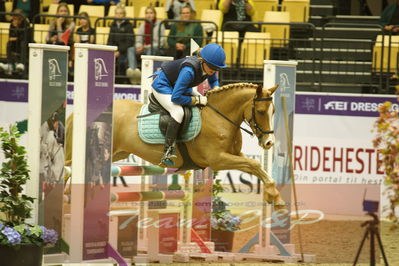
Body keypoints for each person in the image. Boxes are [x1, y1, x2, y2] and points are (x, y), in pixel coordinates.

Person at [151, 43, 227, 166]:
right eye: (212, 68)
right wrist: (196, 101)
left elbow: (213, 80)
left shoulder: (209, 66)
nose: (214, 71)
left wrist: (216, 89)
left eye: (217, 68)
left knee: (203, 101)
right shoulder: (189, 71)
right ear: (202, 61)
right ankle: (168, 151)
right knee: (178, 112)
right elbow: (176, 97)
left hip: (180, 86)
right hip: (163, 86)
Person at [126, 6, 166, 83]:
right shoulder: (142, 25)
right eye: (147, 13)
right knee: (130, 49)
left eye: (151, 13)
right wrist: (138, 47)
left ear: (155, 14)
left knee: (150, 50)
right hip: (144, 48)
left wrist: (145, 47)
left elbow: (161, 43)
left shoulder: (160, 24)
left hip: (157, 49)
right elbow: (138, 39)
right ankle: (134, 73)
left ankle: (146, 75)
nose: (149, 15)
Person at [107, 3, 135, 79]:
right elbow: (110, 40)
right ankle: (109, 80)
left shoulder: (128, 25)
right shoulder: (113, 25)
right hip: (114, 51)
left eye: (121, 13)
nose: (119, 15)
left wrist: (119, 51)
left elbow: (130, 41)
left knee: (121, 62)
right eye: (117, 13)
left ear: (124, 15)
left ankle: (121, 81)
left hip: (124, 51)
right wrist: (112, 50)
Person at [0, 9, 31, 75]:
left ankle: (22, 64)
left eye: (17, 19)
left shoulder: (26, 23)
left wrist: (17, 30)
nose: (15, 20)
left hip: (25, 44)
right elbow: (10, 36)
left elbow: (25, 37)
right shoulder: (12, 23)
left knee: (23, 43)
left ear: (21, 18)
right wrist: (15, 29)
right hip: (15, 43)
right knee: (9, 43)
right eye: (14, 18)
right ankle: (9, 64)